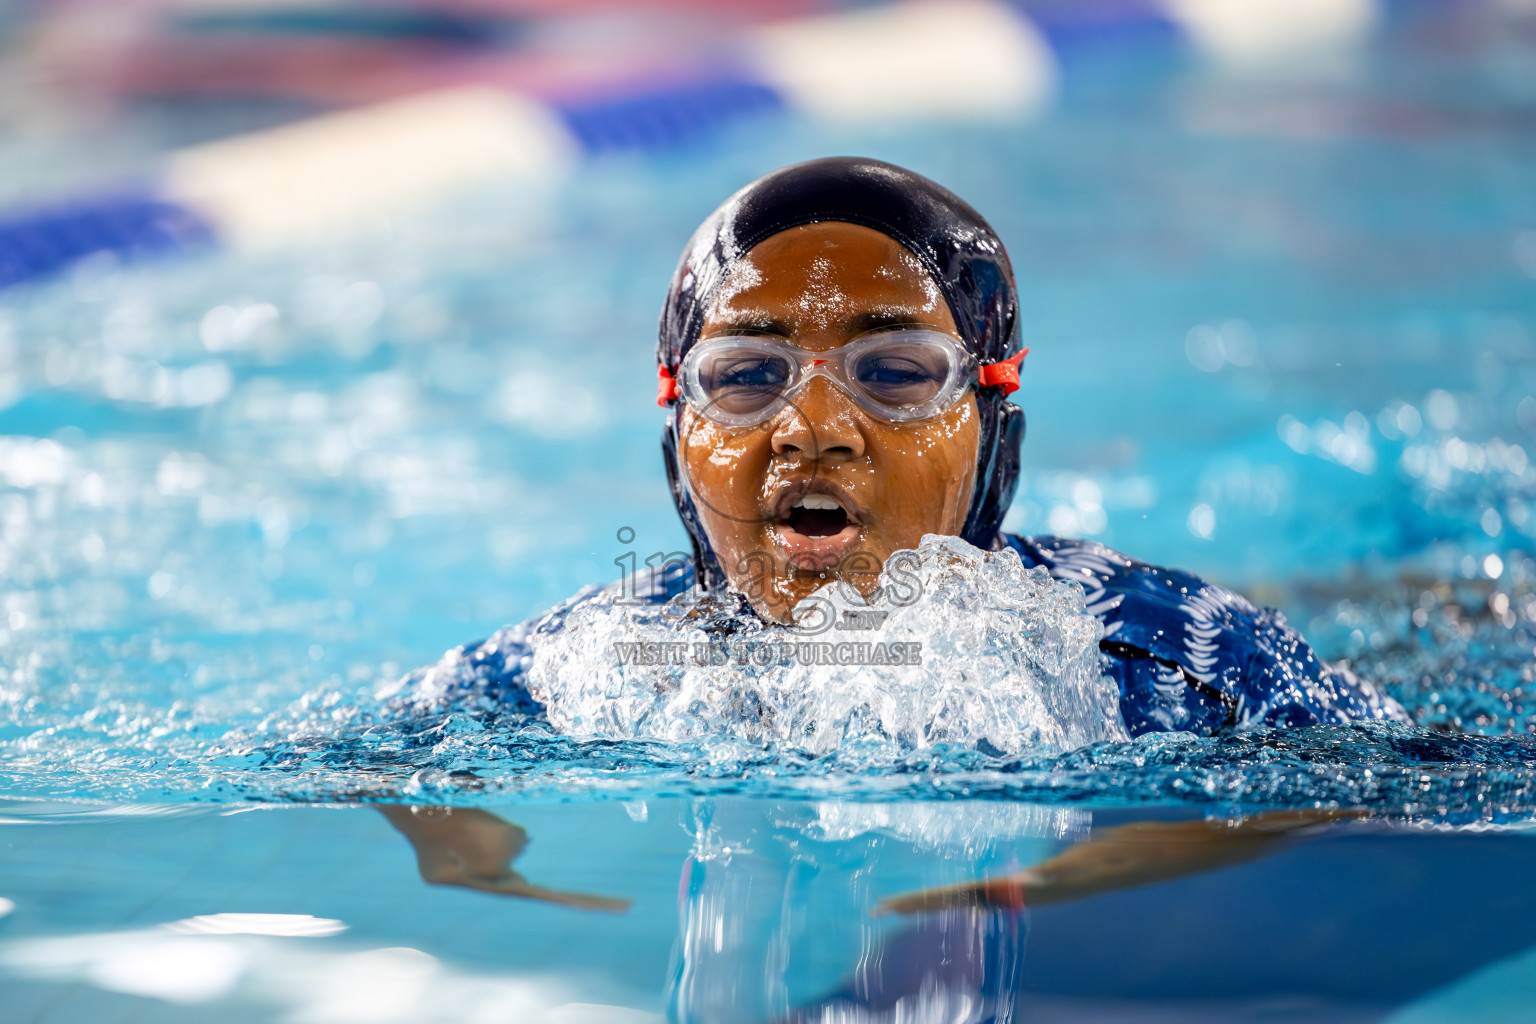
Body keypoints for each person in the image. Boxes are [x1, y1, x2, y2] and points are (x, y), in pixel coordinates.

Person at [393, 155, 1408, 737]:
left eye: (894, 373)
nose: (813, 430)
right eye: (745, 377)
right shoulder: (604, 657)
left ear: (994, 439)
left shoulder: (1175, 664)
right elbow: (361, 762)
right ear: (677, 450)